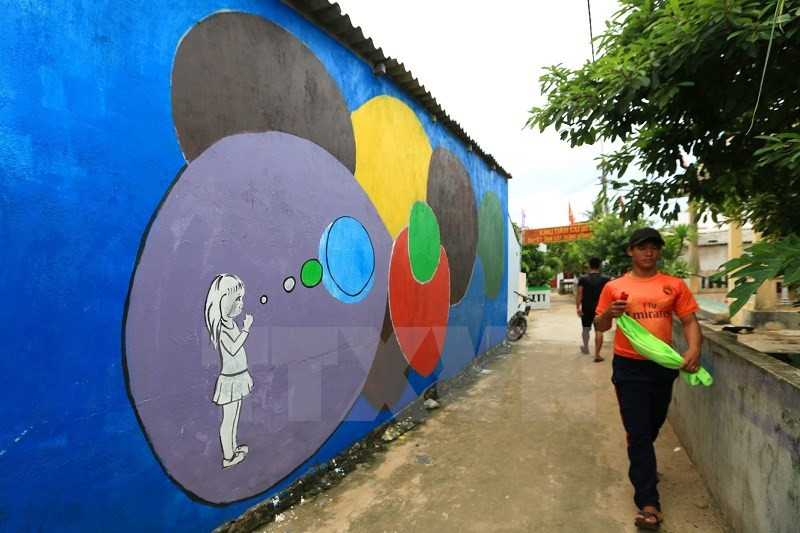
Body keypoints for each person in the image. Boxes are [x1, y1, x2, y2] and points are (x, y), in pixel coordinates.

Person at [594, 227, 702, 531]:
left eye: (654, 247)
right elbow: (599, 323)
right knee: (639, 433)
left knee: (653, 423)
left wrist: (694, 348)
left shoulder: (674, 285)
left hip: (662, 368)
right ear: (631, 251)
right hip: (629, 368)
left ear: (659, 252)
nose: (648, 252)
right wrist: (610, 315)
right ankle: (648, 503)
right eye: (642, 247)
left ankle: (645, 465)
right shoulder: (614, 287)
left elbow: (690, 321)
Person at [204, 273, 254, 469]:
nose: (241, 303)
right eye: (238, 299)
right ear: (225, 301)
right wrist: (246, 330)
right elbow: (233, 349)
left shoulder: (231, 324)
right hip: (230, 380)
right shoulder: (222, 329)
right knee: (228, 419)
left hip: (239, 377)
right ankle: (228, 457)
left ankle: (233, 448)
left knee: (235, 418)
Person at [576, 257, 610, 362]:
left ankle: (586, 348)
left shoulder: (583, 279)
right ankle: (597, 355)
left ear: (589, 265)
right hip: (600, 308)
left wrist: (578, 307)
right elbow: (608, 294)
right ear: (599, 265)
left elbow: (579, 293)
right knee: (599, 330)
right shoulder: (606, 279)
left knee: (586, 328)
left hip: (586, 307)